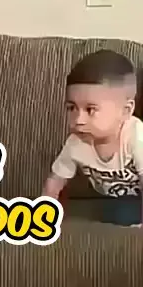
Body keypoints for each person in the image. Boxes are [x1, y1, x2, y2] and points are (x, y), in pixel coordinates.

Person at [42, 49, 143, 226]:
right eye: (72, 108)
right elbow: (55, 182)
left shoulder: (135, 136)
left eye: (91, 110)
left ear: (125, 111)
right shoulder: (76, 143)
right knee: (115, 213)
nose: (78, 120)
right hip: (116, 200)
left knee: (123, 215)